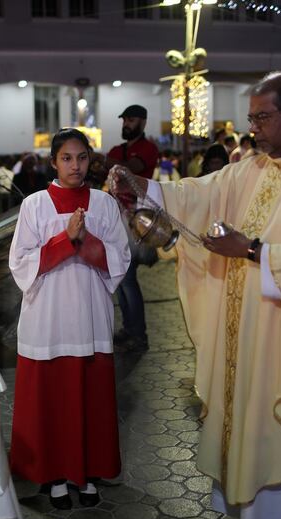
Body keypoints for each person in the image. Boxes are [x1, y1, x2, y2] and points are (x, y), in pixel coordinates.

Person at [111, 72, 281, 519]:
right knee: (259, 477)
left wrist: (254, 251)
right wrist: (144, 187)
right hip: (254, 349)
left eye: (261, 117)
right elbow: (203, 191)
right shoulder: (256, 167)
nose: (252, 126)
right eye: (251, 117)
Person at [8, 128, 130, 510]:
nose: (75, 166)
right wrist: (64, 240)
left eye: (81, 158)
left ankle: (88, 474)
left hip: (90, 316)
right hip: (47, 319)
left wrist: (85, 242)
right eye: (66, 158)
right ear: (54, 162)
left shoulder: (105, 204)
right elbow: (20, 262)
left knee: (89, 401)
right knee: (53, 401)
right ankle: (56, 476)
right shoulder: (35, 205)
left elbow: (120, 258)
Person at [106, 104, 160, 352]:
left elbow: (132, 170)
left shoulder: (148, 148)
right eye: (124, 119)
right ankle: (130, 329)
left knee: (127, 279)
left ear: (142, 122)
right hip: (117, 219)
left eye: (131, 119)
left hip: (137, 220)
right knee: (120, 278)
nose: (126, 124)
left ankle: (138, 333)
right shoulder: (118, 149)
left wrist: (103, 161)